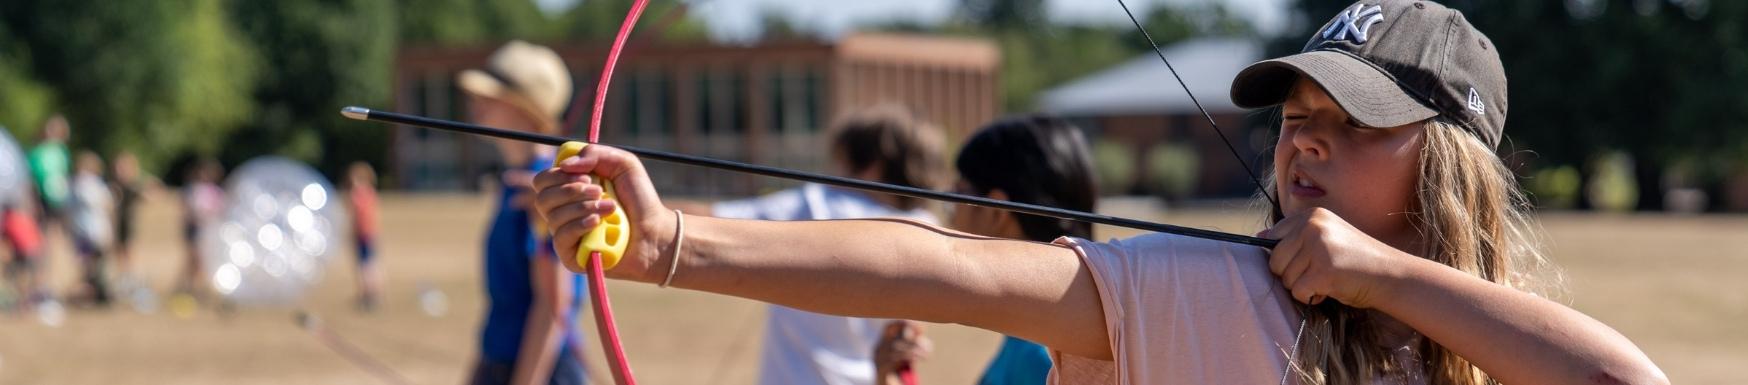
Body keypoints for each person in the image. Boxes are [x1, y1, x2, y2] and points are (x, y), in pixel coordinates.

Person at [528, 1, 1669, 384]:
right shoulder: (1211, 294)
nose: (1302, 148)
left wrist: (1383, 277)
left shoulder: (1482, 348)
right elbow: (951, 267)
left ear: (1448, 167)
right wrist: (670, 242)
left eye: (1351, 126)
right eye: (1294, 121)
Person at [676, 105, 947, 385]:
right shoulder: (926, 227)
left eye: (841, 161)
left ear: (871, 167)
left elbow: (702, 222)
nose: (834, 172)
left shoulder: (816, 204)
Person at [871, 116, 1095, 385]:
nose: (950, 220)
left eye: (956, 199)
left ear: (996, 212)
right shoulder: (1054, 334)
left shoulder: (1042, 357)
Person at [460, 40, 587, 385]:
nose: (477, 102)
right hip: (502, 362)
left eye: (492, 95)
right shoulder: (515, 184)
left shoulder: (545, 189)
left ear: (526, 108)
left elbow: (553, 306)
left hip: (539, 369)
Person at [66, 151, 113, 306]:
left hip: (92, 231)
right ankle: (90, 295)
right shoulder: (82, 185)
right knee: (89, 266)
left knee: (93, 266)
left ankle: (96, 294)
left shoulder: (87, 185)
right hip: (86, 232)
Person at [178, 158, 225, 299]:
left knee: (201, 260)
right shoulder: (193, 190)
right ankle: (189, 287)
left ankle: (195, 288)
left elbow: (219, 210)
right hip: (195, 229)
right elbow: (189, 210)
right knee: (194, 259)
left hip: (208, 230)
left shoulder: (215, 192)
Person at [347, 161, 383, 312]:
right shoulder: (371, 193)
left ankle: (368, 294)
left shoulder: (358, 195)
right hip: (371, 234)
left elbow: (358, 217)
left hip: (363, 235)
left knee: (364, 266)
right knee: (371, 264)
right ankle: (372, 294)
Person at [109, 150, 147, 285]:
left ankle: (129, 277)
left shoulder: (132, 186)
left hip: (127, 223)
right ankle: (122, 277)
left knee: (128, 249)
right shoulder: (113, 186)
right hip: (115, 224)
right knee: (118, 250)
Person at [27, 116, 70, 230]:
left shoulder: (61, 152)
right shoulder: (38, 151)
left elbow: (63, 174)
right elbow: (30, 172)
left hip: (58, 195)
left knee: (56, 228)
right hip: (39, 194)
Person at [2, 202, 46, 311]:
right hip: (36, 250)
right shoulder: (24, 218)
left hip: (25, 252)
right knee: (30, 279)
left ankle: (24, 303)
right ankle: (29, 302)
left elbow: (5, 240)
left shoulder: (8, 222)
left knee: (18, 278)